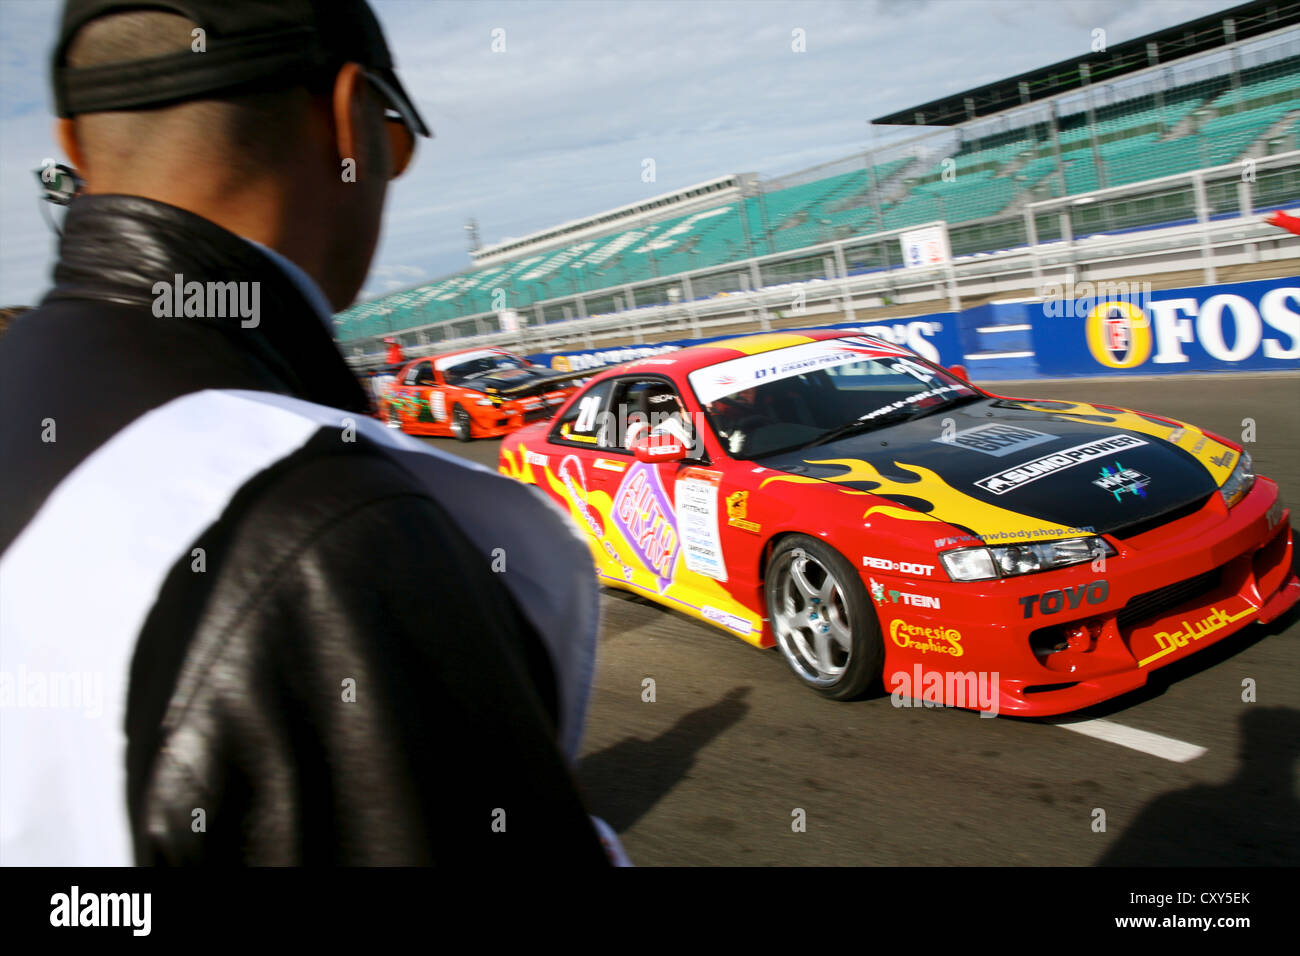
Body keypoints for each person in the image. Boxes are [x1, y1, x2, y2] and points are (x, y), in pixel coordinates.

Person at [0, 0, 608, 865]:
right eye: (396, 142)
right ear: (350, 121)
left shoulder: (26, 384)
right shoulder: (327, 528)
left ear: (74, 144)